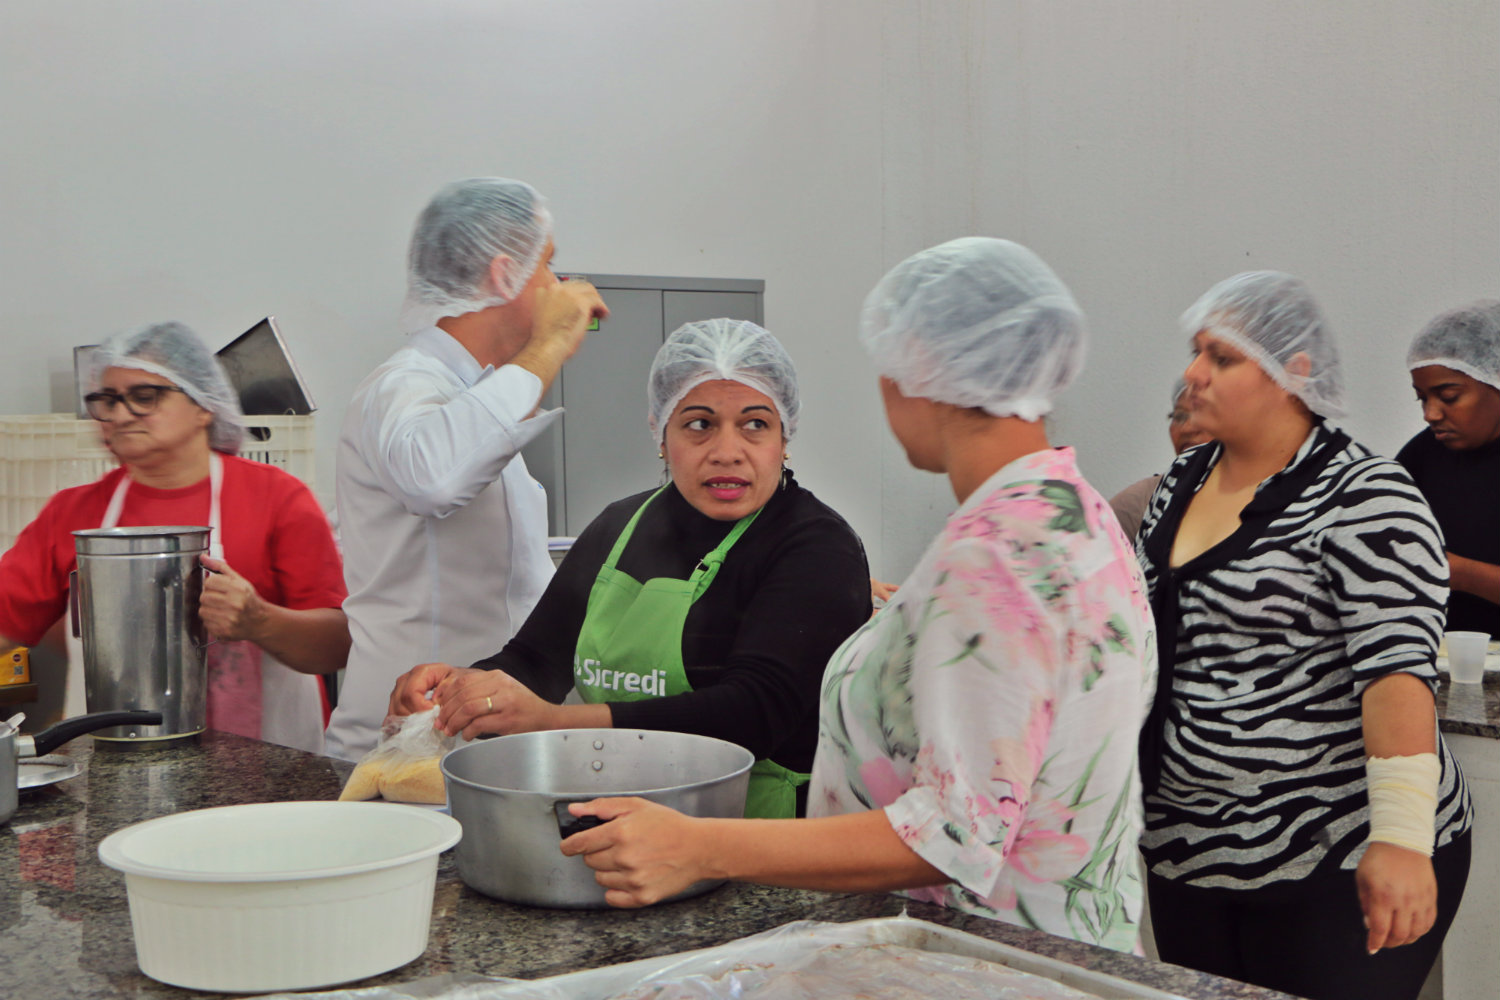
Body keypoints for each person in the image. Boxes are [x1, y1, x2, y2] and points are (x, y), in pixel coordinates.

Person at [551, 238, 1156, 953]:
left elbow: (951, 836)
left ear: (918, 370)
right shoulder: (1073, 513)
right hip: (1066, 941)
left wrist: (698, 845)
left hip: (983, 954)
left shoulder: (995, 558)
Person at [1135, 272, 1471, 1000]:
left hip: (1333, 850)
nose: (1194, 374)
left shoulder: (1366, 497)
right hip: (1188, 849)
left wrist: (1401, 839)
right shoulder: (1183, 479)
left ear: (1294, 372)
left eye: (1223, 358)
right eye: (1196, 353)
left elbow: (1395, 677)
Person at [388, 318, 872, 818]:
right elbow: (536, 661)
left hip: (760, 834)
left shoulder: (816, 545)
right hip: (621, 821)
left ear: (784, 437)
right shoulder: (620, 527)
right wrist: (464, 688)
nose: (727, 453)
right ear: (661, 435)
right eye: (699, 424)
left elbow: (753, 713)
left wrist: (557, 722)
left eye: (755, 425)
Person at [325, 177, 608, 761]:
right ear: (504, 274)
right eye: (547, 266)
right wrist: (550, 344)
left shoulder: (472, 394)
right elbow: (434, 477)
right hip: (405, 748)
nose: (557, 286)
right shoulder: (402, 384)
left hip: (469, 740)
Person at [0, 321, 348, 752]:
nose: (120, 415)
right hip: (117, 763)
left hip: (267, 768)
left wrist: (260, 620)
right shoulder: (73, 514)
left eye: (145, 396)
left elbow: (338, 645)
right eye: (106, 400)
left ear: (204, 406)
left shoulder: (277, 498)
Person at [1397, 300, 1500, 636]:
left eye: (1449, 396)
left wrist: (1461, 573)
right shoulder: (1422, 456)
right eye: (1422, 398)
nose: (1431, 414)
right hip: (1440, 655)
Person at [1108, 379, 1211, 540]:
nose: (1186, 428)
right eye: (1179, 417)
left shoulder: (1253, 502)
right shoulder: (1138, 504)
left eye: (1202, 415)